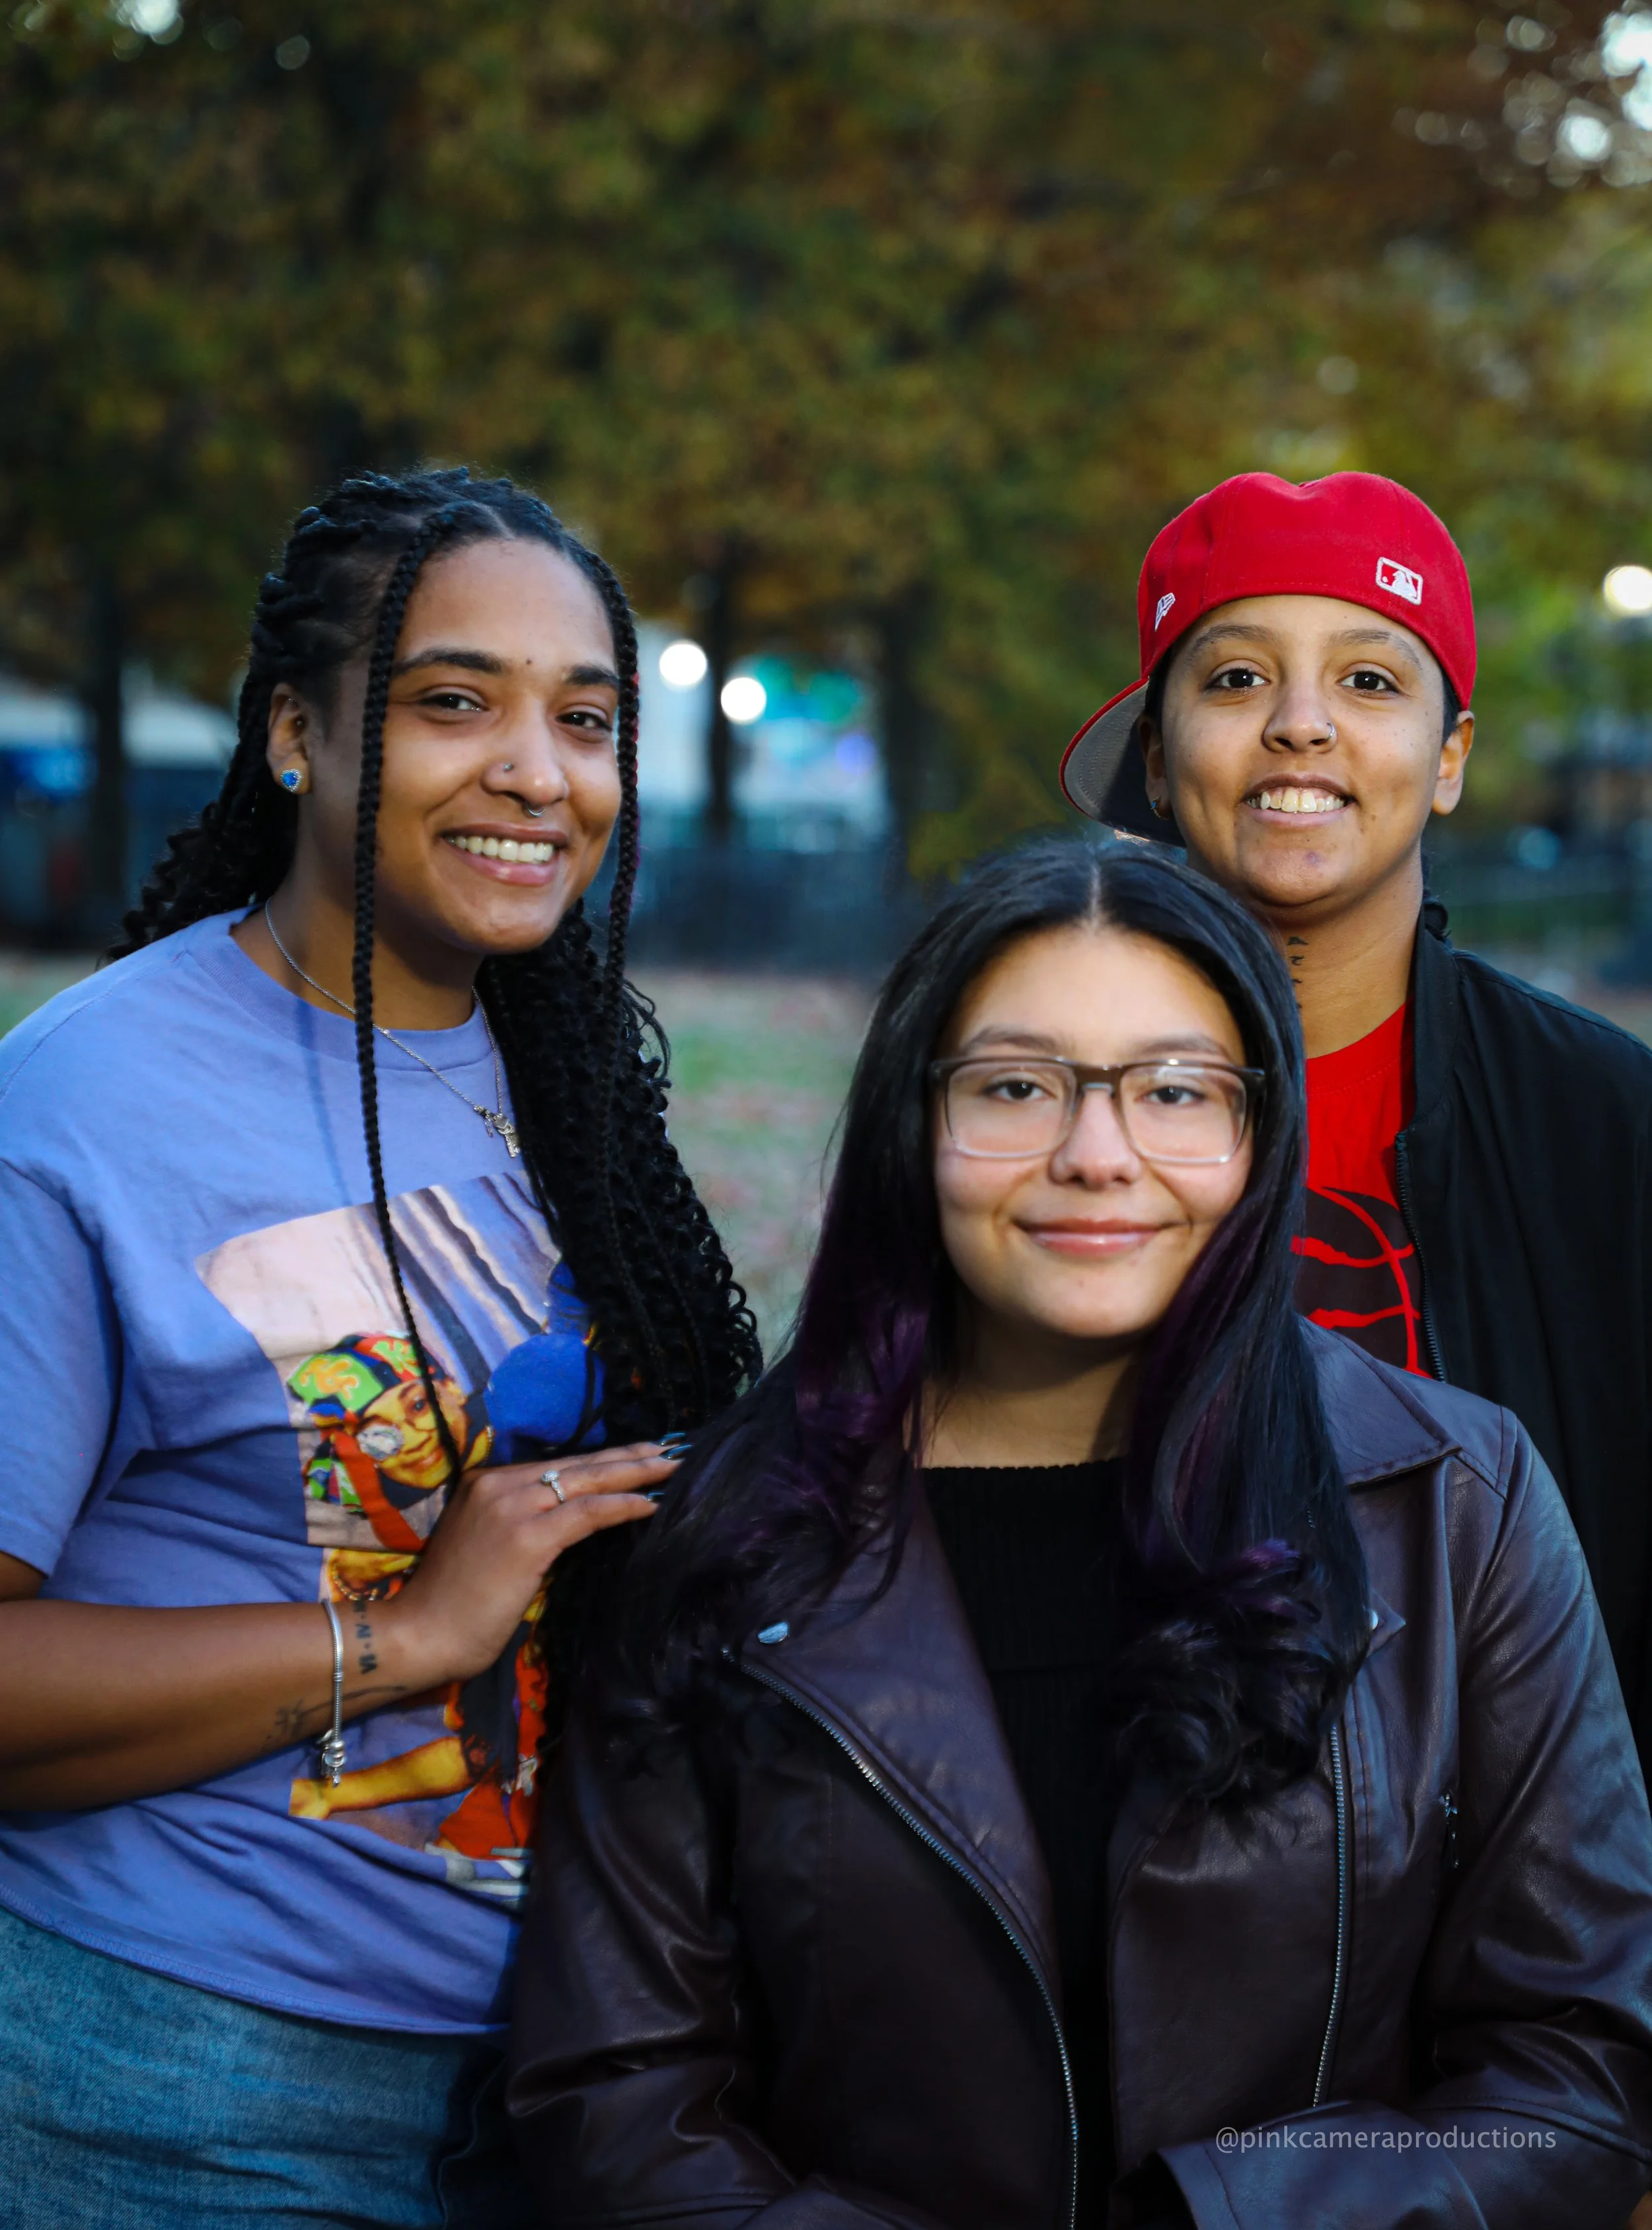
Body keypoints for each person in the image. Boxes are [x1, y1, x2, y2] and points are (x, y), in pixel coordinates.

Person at [507, 837, 1652, 2230]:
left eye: (1173, 1090)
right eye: (1012, 1087)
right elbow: (619, 2103)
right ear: (910, 1127)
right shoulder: (716, 1543)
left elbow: (1575, 2068)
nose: (1094, 1155)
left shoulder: (1452, 1498)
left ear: (1256, 1131)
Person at [0, 467, 761, 2228]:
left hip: (552, 2072)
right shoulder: (87, 1101)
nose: (533, 770)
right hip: (179, 2082)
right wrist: (405, 1630)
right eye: (450, 701)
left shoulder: (563, 1078)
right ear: (293, 733)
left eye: (584, 719)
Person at [1059, 468, 1652, 1768]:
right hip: (1120, 1833)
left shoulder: (1600, 1122)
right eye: (1231, 679)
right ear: (1155, 762)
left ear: (1447, 761)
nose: (1298, 726)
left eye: (1368, 681)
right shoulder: (1039, 1104)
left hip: (1505, 1866)